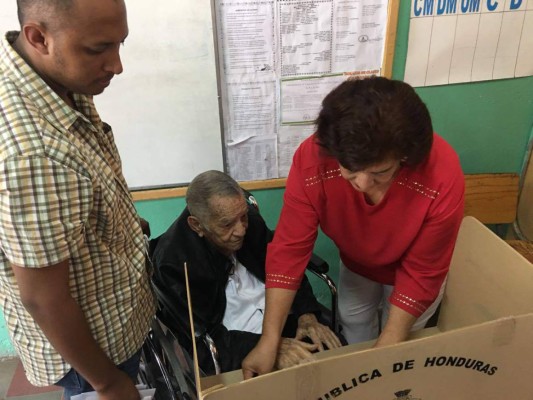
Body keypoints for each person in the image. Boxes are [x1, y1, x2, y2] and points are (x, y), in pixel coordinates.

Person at [242, 76, 465, 378]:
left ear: (404, 157)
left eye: (380, 172)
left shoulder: (441, 173)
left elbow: (423, 272)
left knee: (396, 353)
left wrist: (389, 347)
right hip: (358, 264)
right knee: (354, 324)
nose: (361, 184)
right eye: (349, 170)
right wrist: (270, 339)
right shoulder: (312, 160)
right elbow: (290, 249)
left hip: (416, 275)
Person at [0, 1, 155, 399]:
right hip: (94, 353)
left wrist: (122, 223)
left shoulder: (57, 81)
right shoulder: (32, 151)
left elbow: (78, 183)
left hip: (111, 312)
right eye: (97, 49)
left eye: (120, 44)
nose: (116, 65)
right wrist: (108, 382)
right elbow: (43, 296)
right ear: (38, 37)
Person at [151, 170, 342, 375]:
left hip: (277, 319)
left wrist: (307, 314)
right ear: (197, 225)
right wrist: (271, 347)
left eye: (243, 217)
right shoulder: (174, 265)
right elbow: (204, 344)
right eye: (227, 224)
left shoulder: (248, 221)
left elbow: (284, 267)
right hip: (235, 342)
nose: (241, 230)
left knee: (329, 351)